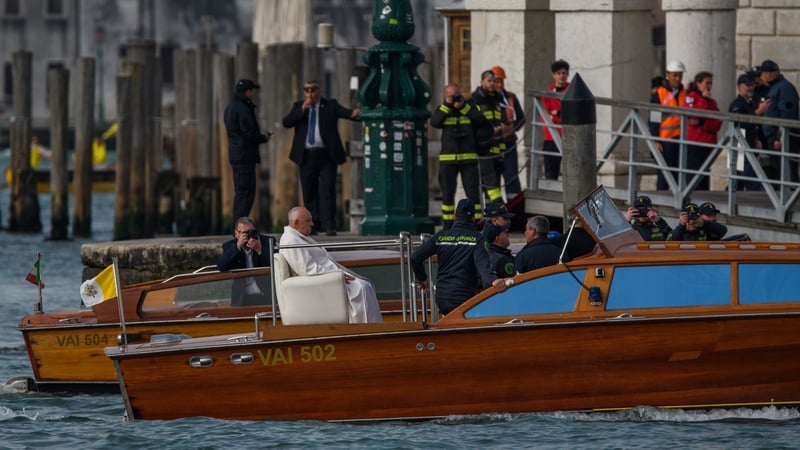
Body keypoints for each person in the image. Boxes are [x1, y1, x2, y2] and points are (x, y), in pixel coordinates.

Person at [282, 80, 361, 236]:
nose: (310, 93)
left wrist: (355, 113)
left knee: (328, 190)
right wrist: (302, 109)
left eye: (313, 90)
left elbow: (347, 113)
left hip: (326, 156)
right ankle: (313, 224)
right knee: (309, 192)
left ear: (319, 91)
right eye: (307, 90)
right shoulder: (299, 106)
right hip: (306, 156)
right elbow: (287, 122)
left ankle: (329, 224)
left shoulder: (330, 105)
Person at [279, 206, 382, 323]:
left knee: (365, 285)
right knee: (361, 288)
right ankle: (362, 327)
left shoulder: (297, 236)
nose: (312, 224)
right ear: (296, 223)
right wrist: (338, 275)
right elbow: (307, 269)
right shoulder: (291, 240)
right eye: (308, 221)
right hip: (327, 280)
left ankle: (372, 327)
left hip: (331, 276)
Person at [410, 198, 508, 315]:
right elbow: (483, 266)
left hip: (442, 298)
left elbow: (415, 257)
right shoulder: (478, 239)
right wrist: (494, 280)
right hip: (464, 298)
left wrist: (422, 279)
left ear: (455, 216)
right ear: (473, 218)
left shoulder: (441, 237)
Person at [430, 84, 485, 229]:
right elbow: (435, 122)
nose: (455, 98)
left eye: (457, 95)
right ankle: (448, 226)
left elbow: (480, 120)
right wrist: (448, 105)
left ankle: (477, 224)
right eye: (451, 95)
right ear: (445, 96)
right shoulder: (443, 109)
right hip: (448, 160)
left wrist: (463, 107)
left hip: (468, 159)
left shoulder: (469, 108)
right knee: (447, 195)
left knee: (473, 194)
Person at [224, 79, 271, 222]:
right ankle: (239, 226)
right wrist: (263, 138)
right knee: (246, 192)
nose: (252, 93)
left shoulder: (230, 107)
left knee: (241, 191)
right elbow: (248, 132)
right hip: (244, 155)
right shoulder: (243, 108)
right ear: (247, 92)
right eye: (251, 91)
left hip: (236, 154)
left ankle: (238, 225)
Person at [471, 70, 512, 203]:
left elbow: (499, 125)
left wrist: (501, 149)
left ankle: (492, 211)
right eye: (489, 81)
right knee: (490, 183)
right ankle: (497, 208)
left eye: (494, 81)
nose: (492, 84)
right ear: (482, 82)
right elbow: (475, 124)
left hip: (495, 148)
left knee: (495, 183)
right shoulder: (476, 99)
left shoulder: (497, 99)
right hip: (483, 148)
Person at [216, 216, 272, 307]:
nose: (248, 236)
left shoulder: (266, 241)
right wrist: (238, 246)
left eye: (250, 232)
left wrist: (259, 249)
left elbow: (276, 264)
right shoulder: (230, 246)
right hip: (242, 298)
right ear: (236, 234)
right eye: (244, 233)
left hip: (265, 296)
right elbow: (221, 266)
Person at [759, 59, 800, 182]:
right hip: (774, 136)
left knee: (786, 170)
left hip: (781, 138)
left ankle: (790, 192)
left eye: (762, 74)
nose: (761, 78)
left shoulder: (784, 88)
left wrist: (780, 138)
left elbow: (787, 115)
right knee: (778, 169)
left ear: (768, 74)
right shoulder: (776, 87)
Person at [650, 60, 688, 190]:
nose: (677, 78)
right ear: (668, 75)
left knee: (679, 174)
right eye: (674, 75)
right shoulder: (660, 93)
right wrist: (655, 139)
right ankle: (661, 197)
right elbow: (653, 119)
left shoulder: (685, 93)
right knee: (665, 174)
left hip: (681, 139)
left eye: (680, 75)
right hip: (665, 140)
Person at [729, 73, 769, 190]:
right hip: (741, 146)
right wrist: (758, 112)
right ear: (739, 86)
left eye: (752, 85)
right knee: (749, 178)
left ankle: (732, 195)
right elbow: (740, 123)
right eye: (748, 85)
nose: (751, 88)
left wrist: (757, 139)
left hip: (750, 144)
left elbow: (753, 126)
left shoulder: (750, 103)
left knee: (739, 179)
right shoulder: (737, 104)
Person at [683, 71, 722, 191]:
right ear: (698, 83)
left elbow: (717, 122)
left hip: (709, 142)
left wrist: (703, 123)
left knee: (705, 173)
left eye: (711, 83)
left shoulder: (712, 102)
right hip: (695, 141)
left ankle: (704, 195)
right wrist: (703, 100)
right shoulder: (691, 98)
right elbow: (693, 115)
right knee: (693, 172)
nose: (709, 86)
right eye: (707, 83)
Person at [491, 65, 526, 197]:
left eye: (501, 81)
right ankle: (494, 208)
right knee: (493, 180)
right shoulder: (486, 100)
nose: (499, 85)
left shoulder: (510, 98)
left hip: (509, 143)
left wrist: (511, 128)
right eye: (496, 81)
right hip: (492, 145)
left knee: (511, 177)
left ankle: (513, 205)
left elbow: (521, 118)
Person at [542, 59, 570, 180]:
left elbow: (571, 115)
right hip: (551, 138)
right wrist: (560, 114)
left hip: (569, 137)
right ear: (553, 75)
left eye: (564, 73)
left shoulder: (572, 91)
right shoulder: (547, 93)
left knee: (572, 173)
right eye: (558, 73)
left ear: (567, 74)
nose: (561, 76)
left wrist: (556, 113)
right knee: (551, 173)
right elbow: (545, 116)